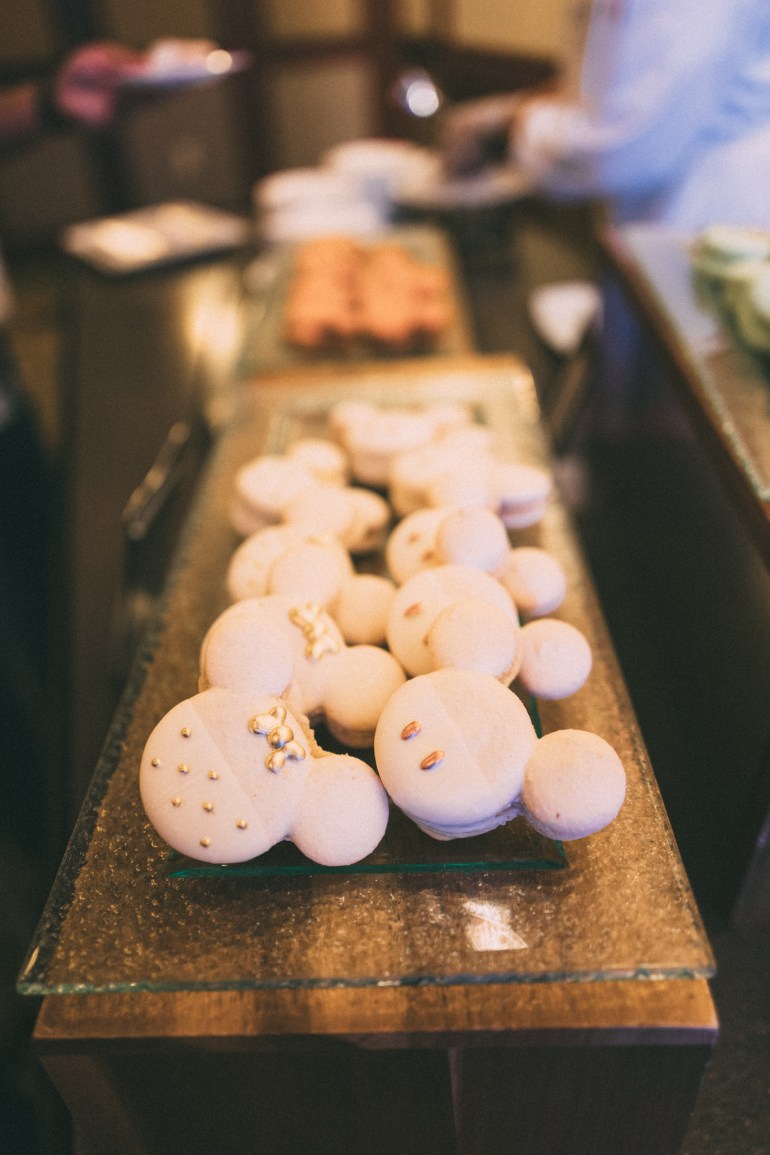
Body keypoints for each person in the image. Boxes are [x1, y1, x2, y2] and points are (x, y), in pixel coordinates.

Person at [442, 0, 770, 230]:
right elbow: (609, 79)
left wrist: (507, 124)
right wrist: (517, 109)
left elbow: (630, 148)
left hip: (707, 216)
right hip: (660, 217)